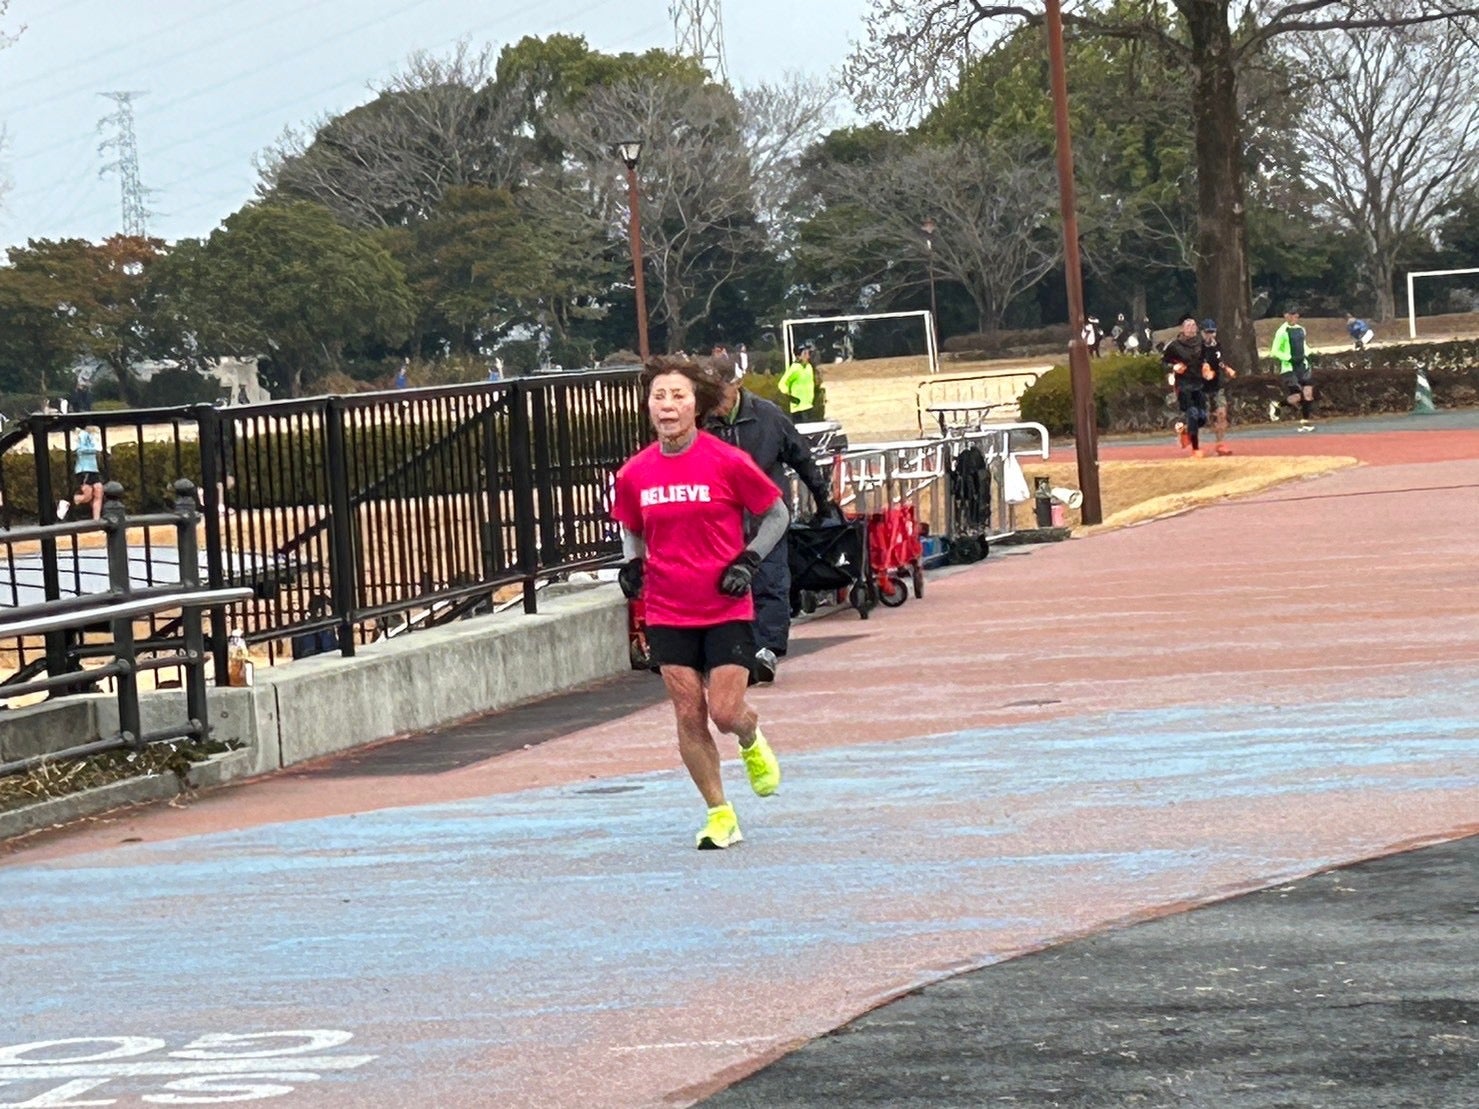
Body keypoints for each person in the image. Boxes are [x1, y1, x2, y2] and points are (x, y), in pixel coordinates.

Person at [610, 356, 788, 850]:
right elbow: (630, 525)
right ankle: (719, 814)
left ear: (696, 405)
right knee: (689, 712)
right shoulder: (635, 472)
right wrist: (633, 564)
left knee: (725, 712)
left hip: (724, 604)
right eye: (659, 397)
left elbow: (776, 514)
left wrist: (748, 561)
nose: (667, 406)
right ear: (649, 406)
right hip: (668, 607)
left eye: (678, 396)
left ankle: (750, 736)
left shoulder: (727, 460)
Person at [703, 353, 837, 684]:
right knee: (727, 587)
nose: (714, 400)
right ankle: (737, 652)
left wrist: (823, 499)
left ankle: (766, 651)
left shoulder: (768, 415)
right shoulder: (700, 422)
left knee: (771, 581)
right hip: (721, 524)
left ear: (737, 384)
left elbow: (802, 458)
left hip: (767, 517)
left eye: (719, 391)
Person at [1162, 315, 1210, 458]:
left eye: (1193, 325)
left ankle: (1185, 431)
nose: (1191, 328)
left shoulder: (1202, 343)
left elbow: (1209, 358)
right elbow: (1163, 363)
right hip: (1183, 384)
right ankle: (1196, 448)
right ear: (1182, 329)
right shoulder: (1174, 346)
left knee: (1202, 417)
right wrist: (1174, 366)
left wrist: (1207, 366)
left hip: (1199, 383)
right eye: (1188, 326)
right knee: (1192, 413)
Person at [1270, 307, 1315, 431]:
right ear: (1286, 316)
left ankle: (1306, 423)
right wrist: (1289, 358)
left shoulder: (1301, 329)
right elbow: (1274, 351)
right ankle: (1278, 405)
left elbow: (1304, 345)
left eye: (1295, 315)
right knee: (1297, 396)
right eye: (1291, 315)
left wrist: (1308, 354)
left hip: (1303, 366)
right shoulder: (1282, 332)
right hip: (1289, 368)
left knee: (1308, 394)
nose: (1294, 317)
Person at [1199, 319, 1238, 456]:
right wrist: (1203, 370)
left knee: (1221, 414)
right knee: (1201, 418)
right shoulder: (1197, 348)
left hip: (1216, 385)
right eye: (1207, 332)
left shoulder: (1217, 346)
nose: (1210, 335)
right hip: (1201, 387)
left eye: (1212, 332)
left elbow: (1220, 361)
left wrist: (1227, 369)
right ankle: (1196, 445)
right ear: (1202, 333)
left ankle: (1220, 444)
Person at [59, 425, 105, 520]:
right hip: (84, 470)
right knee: (87, 496)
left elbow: (98, 448)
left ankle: (96, 521)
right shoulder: (81, 434)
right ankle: (67, 501)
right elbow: (80, 450)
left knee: (98, 491)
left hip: (94, 469)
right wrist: (93, 449)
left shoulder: (94, 435)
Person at [778, 344, 817, 424]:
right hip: (799, 408)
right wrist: (789, 395)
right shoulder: (795, 368)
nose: (807, 356)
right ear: (798, 356)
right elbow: (782, 383)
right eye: (804, 353)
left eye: (808, 353)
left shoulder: (809, 367)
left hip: (809, 405)